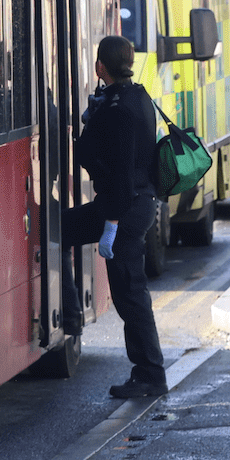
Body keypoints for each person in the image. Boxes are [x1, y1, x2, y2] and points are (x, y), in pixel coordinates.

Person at [64, 35, 168, 400]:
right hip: (134, 203)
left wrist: (111, 224)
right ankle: (71, 312)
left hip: (123, 207)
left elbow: (119, 171)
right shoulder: (139, 97)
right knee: (62, 231)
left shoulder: (115, 108)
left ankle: (150, 374)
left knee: (130, 294)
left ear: (100, 67)